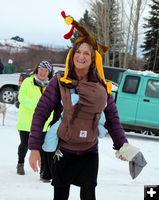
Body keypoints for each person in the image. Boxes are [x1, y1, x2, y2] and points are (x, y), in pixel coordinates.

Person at [28, 11, 146, 200]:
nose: (81, 56)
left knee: (89, 194)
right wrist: (34, 148)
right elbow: (41, 113)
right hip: (63, 150)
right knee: (60, 194)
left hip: (89, 151)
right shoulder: (59, 82)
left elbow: (113, 119)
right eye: (78, 52)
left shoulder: (101, 88)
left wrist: (122, 145)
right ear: (72, 56)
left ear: (92, 60)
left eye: (86, 53)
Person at [16, 60, 54, 182]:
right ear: (37, 69)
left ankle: (43, 171)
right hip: (26, 122)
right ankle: (20, 163)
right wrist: (40, 105)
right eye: (41, 69)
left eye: (46, 71)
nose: (43, 72)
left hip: (44, 124)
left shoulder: (51, 86)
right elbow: (22, 98)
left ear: (49, 73)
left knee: (42, 147)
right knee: (25, 144)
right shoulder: (28, 82)